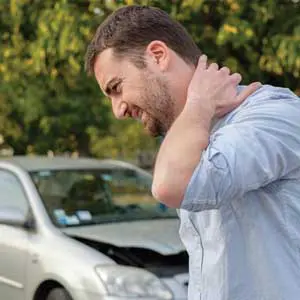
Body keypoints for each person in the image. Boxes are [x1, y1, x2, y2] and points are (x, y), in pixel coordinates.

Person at [85, 5, 300, 300]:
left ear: (158, 55)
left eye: (116, 87)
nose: (118, 110)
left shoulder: (272, 114)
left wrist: (198, 102)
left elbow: (172, 186)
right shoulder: (191, 137)